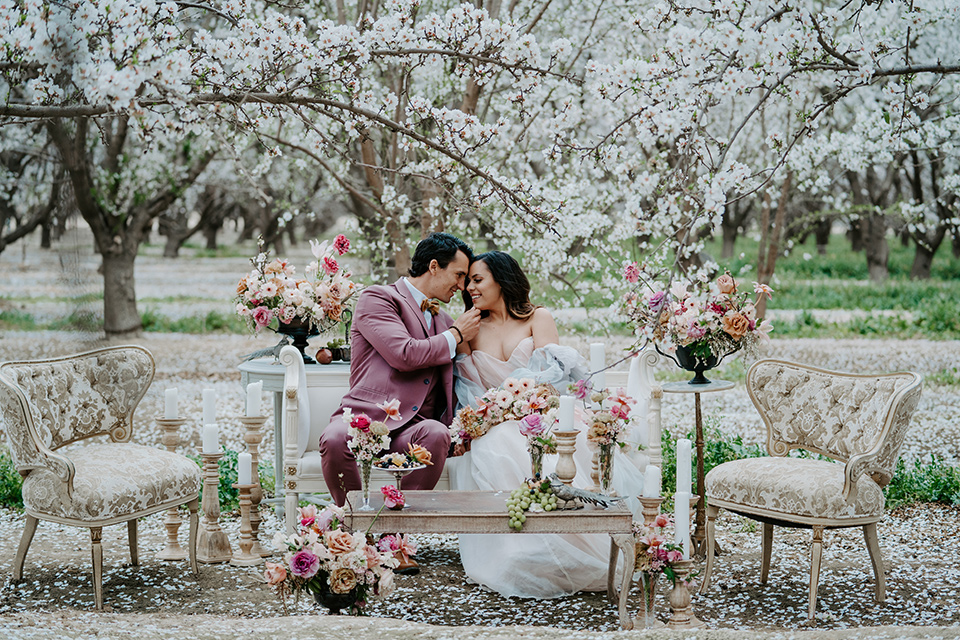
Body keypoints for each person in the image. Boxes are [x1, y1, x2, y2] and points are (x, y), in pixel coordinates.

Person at [446, 251, 644, 598]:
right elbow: (471, 391)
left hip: (545, 411)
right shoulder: (470, 327)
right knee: (501, 444)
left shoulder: (538, 317)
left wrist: (526, 402)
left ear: (502, 279)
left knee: (556, 444)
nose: (470, 288)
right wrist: (482, 418)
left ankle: (589, 546)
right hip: (495, 421)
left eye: (478, 280)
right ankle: (521, 551)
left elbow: (555, 376)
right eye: (468, 282)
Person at [319, 233, 482, 511]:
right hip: (365, 420)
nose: (462, 285)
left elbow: (460, 378)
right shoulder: (379, 297)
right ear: (433, 266)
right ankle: (355, 526)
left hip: (413, 429)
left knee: (436, 432)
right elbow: (403, 355)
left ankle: (394, 538)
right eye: (458, 274)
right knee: (334, 439)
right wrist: (455, 335)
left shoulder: (445, 320)